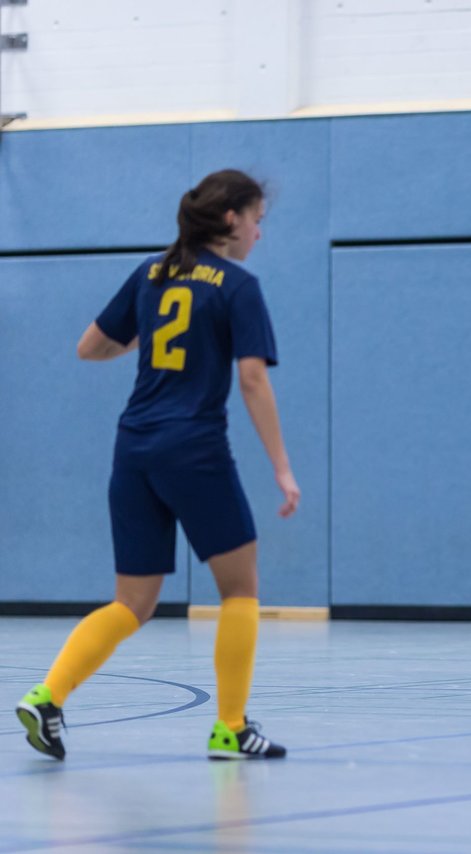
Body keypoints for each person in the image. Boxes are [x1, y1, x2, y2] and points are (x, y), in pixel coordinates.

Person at [14, 169, 300, 761]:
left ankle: (48, 696)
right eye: (256, 220)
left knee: (132, 603)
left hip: (134, 449)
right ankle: (230, 727)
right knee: (241, 590)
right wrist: (281, 467)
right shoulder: (237, 286)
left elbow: (89, 347)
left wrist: (151, 336)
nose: (258, 234)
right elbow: (251, 379)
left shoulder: (151, 273)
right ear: (231, 221)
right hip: (195, 448)